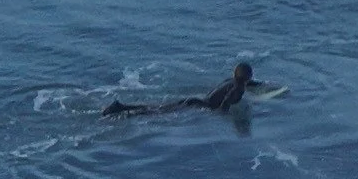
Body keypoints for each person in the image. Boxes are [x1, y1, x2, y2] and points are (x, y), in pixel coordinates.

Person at [105, 62, 264, 118]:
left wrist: (260, 85)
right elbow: (225, 104)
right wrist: (224, 115)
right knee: (157, 112)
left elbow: (240, 84)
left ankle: (122, 107)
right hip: (198, 106)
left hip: (195, 100)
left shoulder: (232, 81)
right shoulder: (238, 89)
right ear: (248, 77)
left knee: (158, 108)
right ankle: (123, 111)